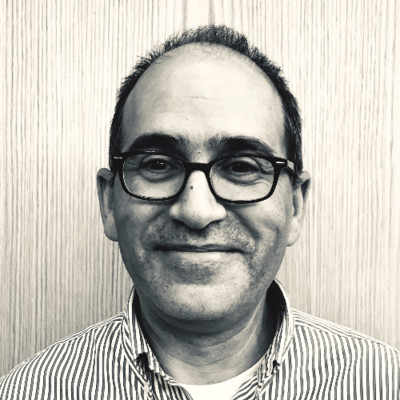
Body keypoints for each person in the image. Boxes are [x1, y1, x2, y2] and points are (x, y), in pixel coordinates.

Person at [1, 25, 399, 400]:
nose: (196, 210)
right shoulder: (27, 392)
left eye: (241, 166)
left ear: (295, 206)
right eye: (158, 164)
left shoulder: (383, 382)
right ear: (109, 203)